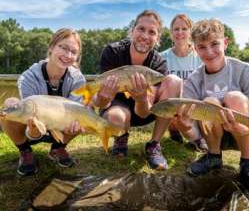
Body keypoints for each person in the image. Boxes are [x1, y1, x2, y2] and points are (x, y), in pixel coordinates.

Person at [174, 19, 249, 194]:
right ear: (195, 49)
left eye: (214, 44)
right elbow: (194, 134)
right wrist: (185, 128)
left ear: (225, 43)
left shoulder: (246, 71)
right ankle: (213, 157)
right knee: (210, 102)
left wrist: (246, 129)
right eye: (202, 47)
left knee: (234, 97)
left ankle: (247, 162)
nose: (209, 51)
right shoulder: (192, 81)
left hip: (245, 133)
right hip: (211, 137)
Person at [93, 10, 182, 170]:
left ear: (157, 38)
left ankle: (154, 145)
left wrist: (141, 98)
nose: (145, 36)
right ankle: (121, 136)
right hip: (117, 107)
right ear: (132, 30)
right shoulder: (112, 51)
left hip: (145, 108)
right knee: (115, 118)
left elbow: (143, 113)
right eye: (141, 29)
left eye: (152, 32)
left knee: (174, 81)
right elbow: (101, 102)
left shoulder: (158, 62)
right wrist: (103, 97)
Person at [1, 28, 86, 176]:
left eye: (73, 52)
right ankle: (25, 151)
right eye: (63, 48)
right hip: (32, 128)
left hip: (62, 127)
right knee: (9, 104)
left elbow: (76, 113)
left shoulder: (78, 79)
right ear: (52, 47)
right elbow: (31, 129)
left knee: (83, 113)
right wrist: (34, 131)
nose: (68, 55)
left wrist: (76, 126)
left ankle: (58, 148)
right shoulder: (28, 77)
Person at [160, 14, 206, 150]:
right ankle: (173, 129)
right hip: (173, 102)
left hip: (195, 102)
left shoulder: (200, 56)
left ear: (190, 32)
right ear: (171, 32)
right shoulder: (162, 57)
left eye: (184, 29)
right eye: (176, 29)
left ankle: (200, 135)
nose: (180, 32)